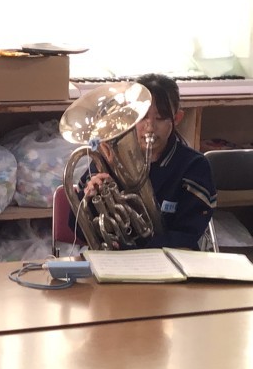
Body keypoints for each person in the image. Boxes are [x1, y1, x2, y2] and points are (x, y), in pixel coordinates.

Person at [69, 73, 216, 250]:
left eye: (160, 118)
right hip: (113, 260)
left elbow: (187, 236)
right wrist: (90, 199)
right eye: (142, 116)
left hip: (169, 260)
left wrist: (133, 250)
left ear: (176, 118)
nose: (150, 127)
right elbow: (78, 229)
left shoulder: (194, 167)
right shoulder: (108, 159)